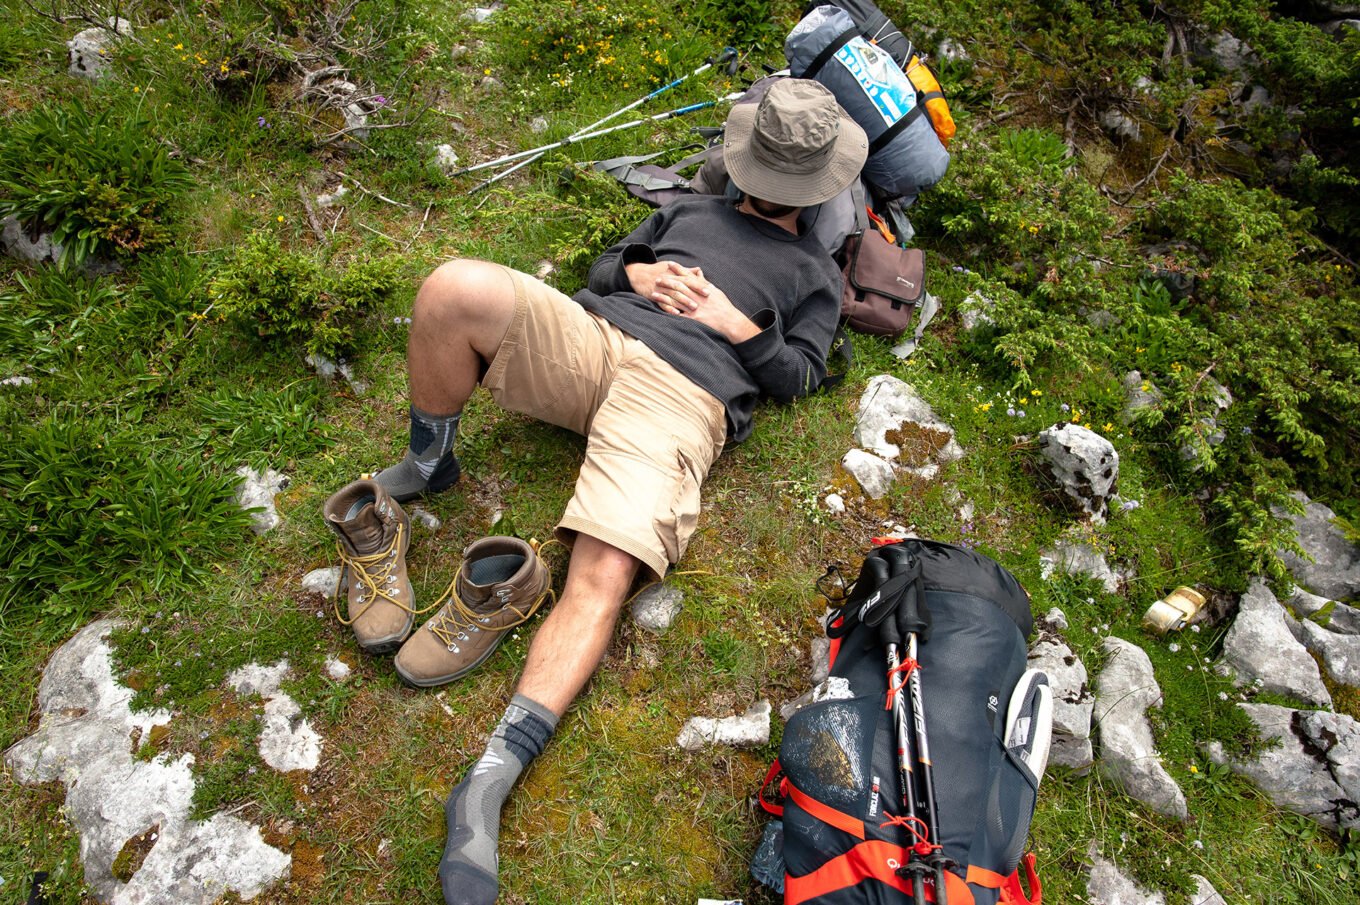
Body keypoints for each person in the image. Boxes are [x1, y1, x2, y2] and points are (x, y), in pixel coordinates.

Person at [322, 78, 867, 905]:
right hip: (597, 341)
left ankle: (487, 784)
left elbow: (799, 374)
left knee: (604, 570)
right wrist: (642, 277)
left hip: (684, 394)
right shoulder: (689, 209)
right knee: (452, 286)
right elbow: (603, 267)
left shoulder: (812, 270)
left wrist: (733, 321)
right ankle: (431, 461)